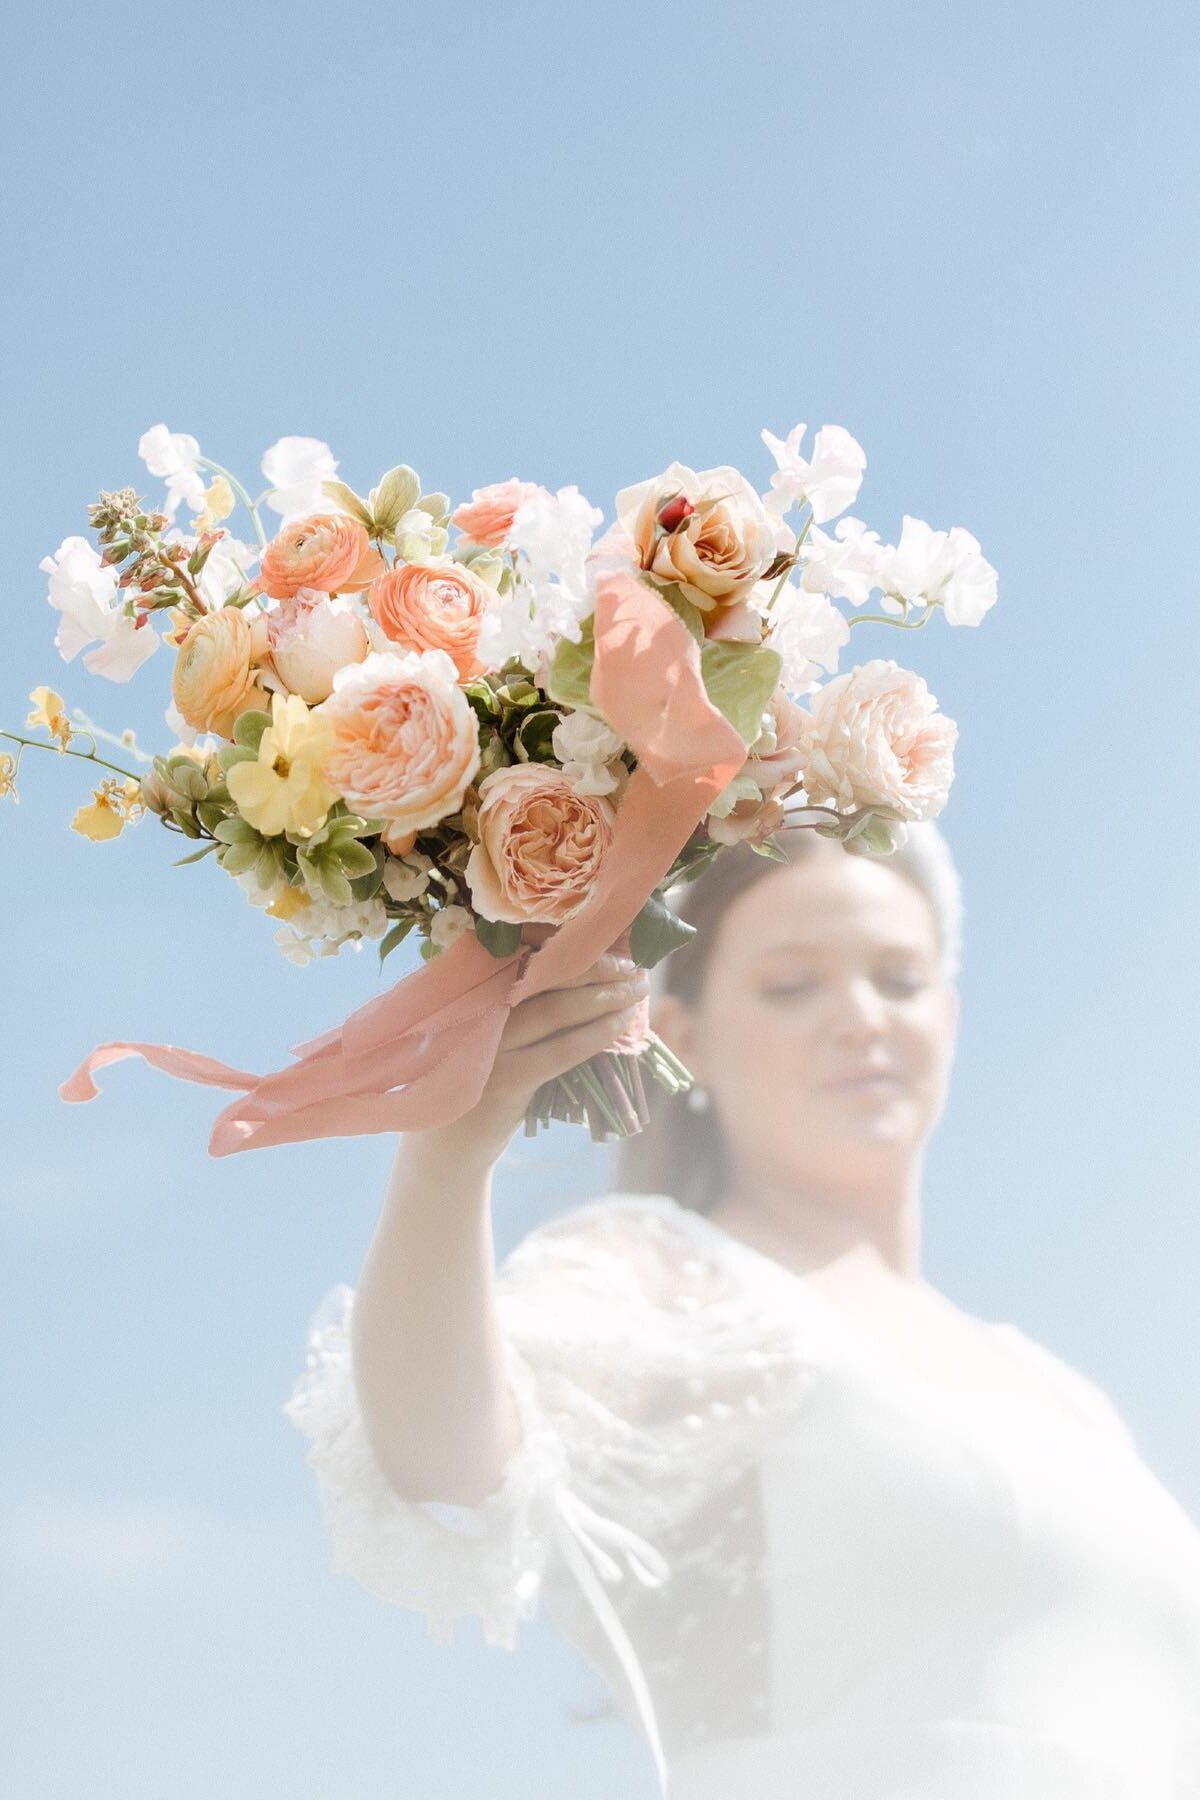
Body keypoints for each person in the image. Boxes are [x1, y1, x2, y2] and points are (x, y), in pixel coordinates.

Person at [283, 818, 1200, 1798]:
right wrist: (446, 1159)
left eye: (899, 978)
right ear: (684, 1039)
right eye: (792, 986)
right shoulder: (670, 1277)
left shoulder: (1063, 1394)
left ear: (950, 1016)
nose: (861, 1017)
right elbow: (447, 1462)